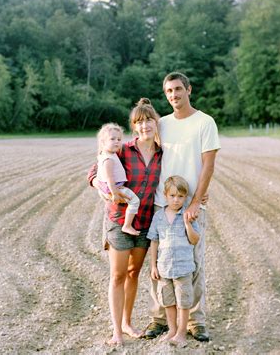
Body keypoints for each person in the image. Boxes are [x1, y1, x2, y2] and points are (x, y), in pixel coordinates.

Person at [144, 72, 221, 342]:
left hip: (190, 206)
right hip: (162, 205)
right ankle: (160, 318)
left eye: (178, 89)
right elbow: (137, 146)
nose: (174, 95)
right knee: (160, 264)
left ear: (189, 89)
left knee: (194, 264)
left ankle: (195, 321)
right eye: (168, 91)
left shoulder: (204, 122)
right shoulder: (161, 124)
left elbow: (208, 165)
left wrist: (197, 201)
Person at [87, 98, 162, 346]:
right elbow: (95, 168)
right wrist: (98, 185)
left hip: (145, 222)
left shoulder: (164, 154)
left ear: (156, 123)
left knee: (133, 273)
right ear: (134, 126)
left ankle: (128, 323)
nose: (144, 126)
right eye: (139, 122)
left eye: (149, 120)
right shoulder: (124, 150)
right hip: (119, 219)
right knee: (118, 275)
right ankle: (116, 331)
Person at [147, 175, 200, 348]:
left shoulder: (187, 215)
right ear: (165, 195)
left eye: (180, 196)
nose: (176, 200)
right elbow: (154, 241)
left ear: (185, 197)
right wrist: (153, 265)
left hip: (183, 267)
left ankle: (182, 332)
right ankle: (172, 329)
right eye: (172, 196)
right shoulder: (159, 216)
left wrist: (187, 224)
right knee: (168, 300)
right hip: (164, 268)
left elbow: (194, 240)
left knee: (183, 302)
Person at [96, 123, 140, 236]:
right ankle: (127, 225)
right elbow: (109, 178)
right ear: (103, 142)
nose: (117, 141)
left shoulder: (108, 154)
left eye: (119, 139)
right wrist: (115, 193)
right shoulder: (109, 159)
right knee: (135, 201)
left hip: (112, 187)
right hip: (115, 187)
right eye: (112, 139)